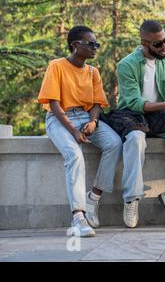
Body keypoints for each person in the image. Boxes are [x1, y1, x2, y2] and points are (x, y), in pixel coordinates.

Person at [38, 26, 123, 237]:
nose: (95, 48)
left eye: (97, 44)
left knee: (114, 143)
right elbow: (54, 104)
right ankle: (78, 217)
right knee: (74, 155)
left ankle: (93, 198)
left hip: (86, 118)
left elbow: (97, 103)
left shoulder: (93, 72)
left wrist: (93, 122)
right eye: (90, 44)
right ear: (75, 46)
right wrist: (73, 132)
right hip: (59, 119)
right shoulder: (56, 66)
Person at [116, 20, 165, 228]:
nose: (164, 47)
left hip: (158, 114)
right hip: (132, 115)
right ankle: (131, 199)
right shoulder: (126, 65)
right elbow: (135, 103)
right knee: (135, 139)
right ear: (144, 43)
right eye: (158, 44)